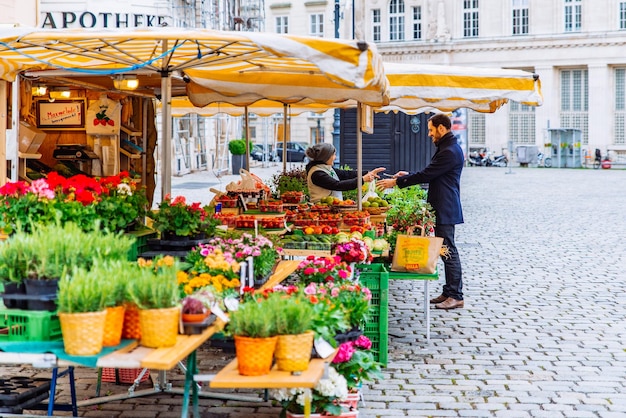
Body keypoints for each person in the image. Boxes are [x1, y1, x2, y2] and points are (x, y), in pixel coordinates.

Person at [377, 113, 465, 310]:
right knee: (444, 251)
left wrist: (397, 182)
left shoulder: (449, 151)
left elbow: (428, 174)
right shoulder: (447, 148)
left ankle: (456, 295)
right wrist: (406, 176)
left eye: (431, 130)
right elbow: (432, 173)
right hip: (442, 205)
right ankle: (449, 291)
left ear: (442, 128)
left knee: (448, 251)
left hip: (445, 206)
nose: (429, 134)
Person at [304, 143, 385, 204]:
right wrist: (362, 180)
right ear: (326, 157)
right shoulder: (317, 173)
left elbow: (345, 174)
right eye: (333, 155)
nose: (335, 157)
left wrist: (367, 173)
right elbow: (337, 185)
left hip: (331, 208)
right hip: (321, 210)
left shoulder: (325, 168)